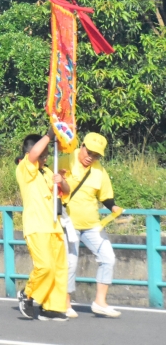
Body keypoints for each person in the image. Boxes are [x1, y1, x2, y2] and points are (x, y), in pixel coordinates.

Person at [59, 132, 122, 318]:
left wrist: (113, 206)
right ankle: (65, 303)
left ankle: (100, 302)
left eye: (96, 155)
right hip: (68, 222)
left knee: (108, 257)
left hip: (92, 223)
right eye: (89, 152)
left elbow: (106, 196)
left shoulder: (99, 170)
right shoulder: (64, 161)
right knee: (70, 263)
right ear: (82, 146)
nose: (91, 157)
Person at [16, 130, 70, 322]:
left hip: (54, 226)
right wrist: (49, 134)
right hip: (36, 225)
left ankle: (52, 307)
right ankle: (27, 294)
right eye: (44, 152)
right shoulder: (24, 167)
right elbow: (33, 155)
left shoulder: (47, 171)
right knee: (45, 266)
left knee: (58, 268)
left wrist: (61, 181)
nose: (46, 155)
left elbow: (66, 190)